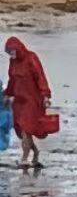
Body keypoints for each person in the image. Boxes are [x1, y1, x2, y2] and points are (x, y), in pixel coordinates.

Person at [4, 37, 55, 170]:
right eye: (9, 52)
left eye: (13, 51)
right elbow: (12, 80)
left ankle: (24, 158)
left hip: (32, 101)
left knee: (27, 129)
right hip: (19, 102)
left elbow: (40, 77)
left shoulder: (31, 58)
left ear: (19, 48)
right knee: (22, 131)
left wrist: (45, 96)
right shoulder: (13, 62)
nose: (12, 54)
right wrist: (7, 94)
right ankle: (35, 152)